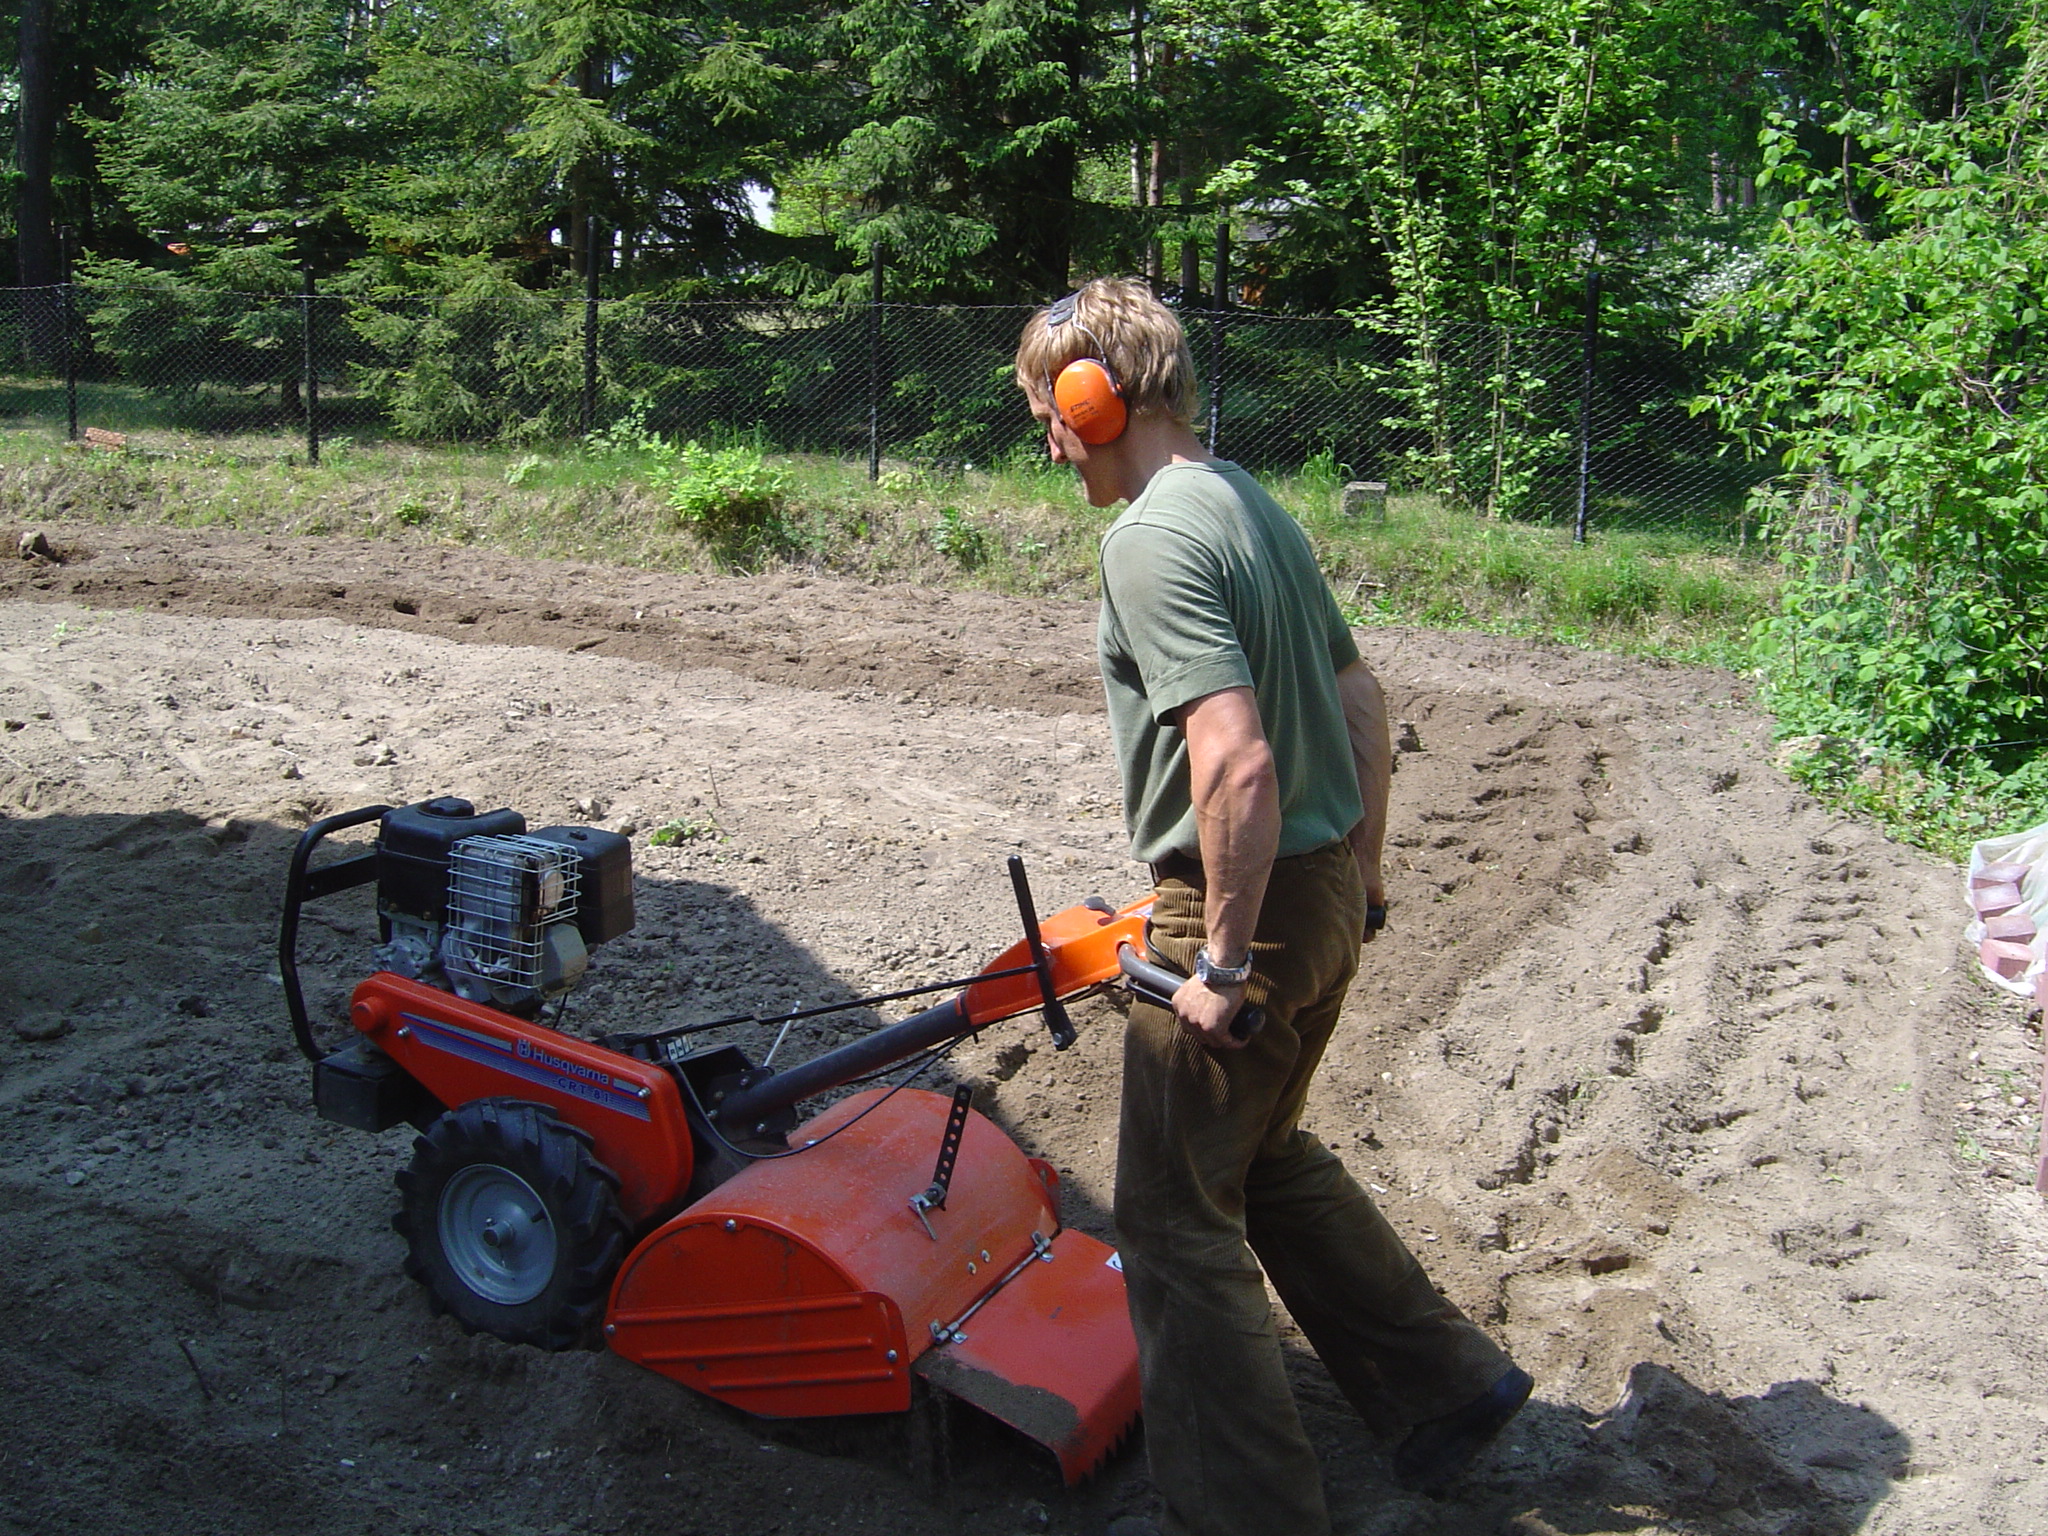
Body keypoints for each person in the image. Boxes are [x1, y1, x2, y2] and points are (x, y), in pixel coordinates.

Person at [1014, 278, 1531, 1536]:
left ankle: (1241, 1514)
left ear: (1092, 400)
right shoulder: (1250, 502)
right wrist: (1358, 870)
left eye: (1047, 408)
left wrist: (1226, 960)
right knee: (1265, 1153)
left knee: (1171, 1217)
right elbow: (1358, 697)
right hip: (1322, 893)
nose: (1046, 438)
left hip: (1235, 912)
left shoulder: (1148, 536)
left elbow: (1234, 758)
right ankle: (1441, 1387)